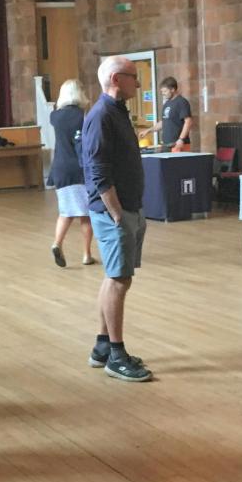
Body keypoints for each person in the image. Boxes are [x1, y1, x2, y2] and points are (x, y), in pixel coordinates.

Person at [82, 56, 153, 382]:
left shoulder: (117, 111)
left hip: (128, 208)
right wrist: (115, 213)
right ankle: (117, 353)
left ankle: (102, 346)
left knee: (115, 277)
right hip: (115, 212)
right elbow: (98, 170)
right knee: (118, 279)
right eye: (133, 77)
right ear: (115, 78)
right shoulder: (100, 116)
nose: (138, 84)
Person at [48, 79, 96, 268]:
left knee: (66, 212)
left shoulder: (55, 117)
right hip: (78, 168)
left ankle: (57, 243)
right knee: (86, 214)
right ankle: (86, 254)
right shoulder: (82, 116)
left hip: (59, 167)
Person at [139, 76, 194, 150]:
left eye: (165, 91)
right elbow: (163, 122)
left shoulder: (181, 102)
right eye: (162, 92)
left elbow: (188, 122)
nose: (163, 94)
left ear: (173, 89)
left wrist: (181, 139)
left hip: (178, 144)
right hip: (166, 144)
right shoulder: (166, 104)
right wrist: (148, 130)